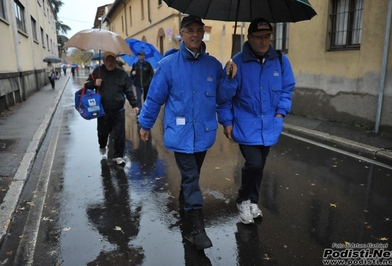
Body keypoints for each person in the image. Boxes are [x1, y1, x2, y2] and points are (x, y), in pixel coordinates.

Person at [138, 15, 223, 250]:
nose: (195, 34)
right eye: (189, 30)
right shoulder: (168, 65)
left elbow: (223, 97)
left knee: (191, 177)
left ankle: (185, 209)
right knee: (191, 178)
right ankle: (197, 228)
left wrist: (231, 77)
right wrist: (145, 124)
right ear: (181, 35)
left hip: (204, 134)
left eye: (199, 30)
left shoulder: (213, 65)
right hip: (180, 133)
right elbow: (154, 98)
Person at [217, 18, 296, 224]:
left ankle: (253, 201)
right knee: (254, 164)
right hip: (245, 125)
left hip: (270, 125)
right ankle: (243, 200)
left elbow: (287, 90)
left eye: (267, 36)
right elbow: (224, 98)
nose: (263, 41)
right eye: (259, 37)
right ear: (249, 38)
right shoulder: (237, 62)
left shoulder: (280, 60)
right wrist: (229, 79)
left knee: (260, 166)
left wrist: (280, 113)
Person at [85, 51, 139, 166]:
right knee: (103, 133)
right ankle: (102, 145)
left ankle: (118, 156)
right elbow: (87, 84)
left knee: (119, 134)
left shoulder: (122, 74)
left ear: (115, 61)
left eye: (112, 60)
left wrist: (134, 104)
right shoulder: (98, 71)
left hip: (118, 110)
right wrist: (95, 83)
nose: (110, 63)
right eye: (107, 60)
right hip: (103, 111)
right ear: (104, 61)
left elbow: (128, 90)